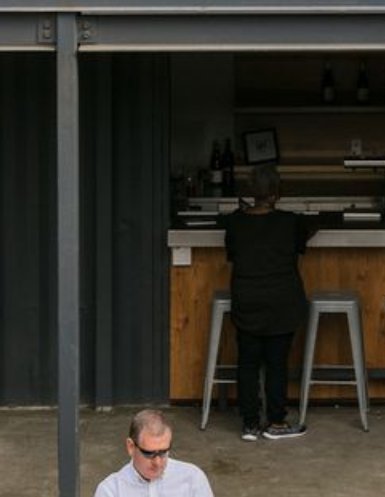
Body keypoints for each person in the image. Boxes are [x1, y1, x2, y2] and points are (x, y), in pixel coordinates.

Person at [219, 164, 313, 442]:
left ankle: (249, 423)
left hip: (247, 301)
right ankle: (276, 422)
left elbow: (233, 253)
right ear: (276, 195)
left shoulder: (235, 222)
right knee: (276, 362)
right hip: (282, 303)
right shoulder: (290, 222)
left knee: (247, 362)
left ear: (250, 192)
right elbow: (302, 238)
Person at [94, 408, 213, 497]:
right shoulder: (111, 491)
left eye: (163, 452)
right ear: (130, 447)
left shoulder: (193, 479)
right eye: (149, 453)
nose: (157, 462)